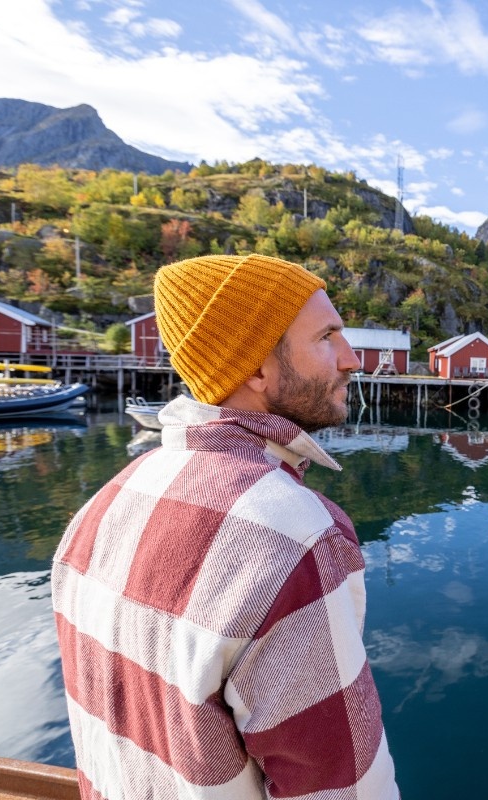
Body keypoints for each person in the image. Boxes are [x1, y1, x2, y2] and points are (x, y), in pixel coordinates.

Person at [51, 254, 399, 799]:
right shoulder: (297, 539)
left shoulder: (100, 507)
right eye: (327, 336)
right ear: (257, 367)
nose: (353, 359)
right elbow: (346, 790)